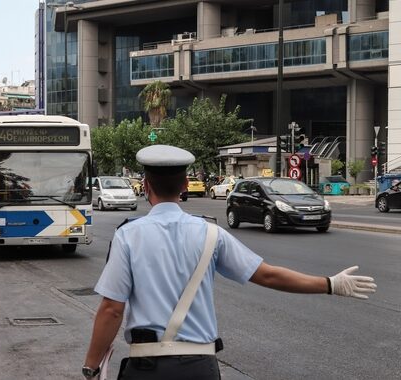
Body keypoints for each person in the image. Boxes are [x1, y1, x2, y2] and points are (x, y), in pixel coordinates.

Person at [82, 145, 376, 380]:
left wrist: (91, 367)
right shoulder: (211, 233)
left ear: (145, 186)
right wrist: (329, 284)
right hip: (200, 368)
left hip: (147, 369)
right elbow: (269, 276)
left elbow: (111, 310)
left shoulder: (128, 236)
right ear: (185, 184)